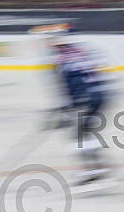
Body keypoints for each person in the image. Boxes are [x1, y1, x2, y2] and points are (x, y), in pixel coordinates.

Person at [30, 24, 116, 188]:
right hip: (101, 95)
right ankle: (97, 168)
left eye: (50, 40)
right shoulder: (78, 51)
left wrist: (63, 108)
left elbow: (69, 87)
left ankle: (93, 171)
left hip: (88, 98)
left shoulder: (59, 59)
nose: (47, 43)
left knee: (77, 134)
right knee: (84, 131)